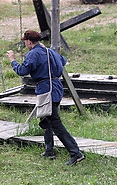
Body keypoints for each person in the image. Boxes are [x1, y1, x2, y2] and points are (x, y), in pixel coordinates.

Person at [6, 30, 85, 165]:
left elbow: (22, 71)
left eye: (25, 42)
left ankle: (75, 153)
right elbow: (63, 61)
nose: (25, 44)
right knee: (46, 119)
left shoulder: (33, 54)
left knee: (55, 122)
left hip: (46, 89)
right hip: (57, 88)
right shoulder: (49, 51)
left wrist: (13, 60)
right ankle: (49, 150)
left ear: (29, 42)